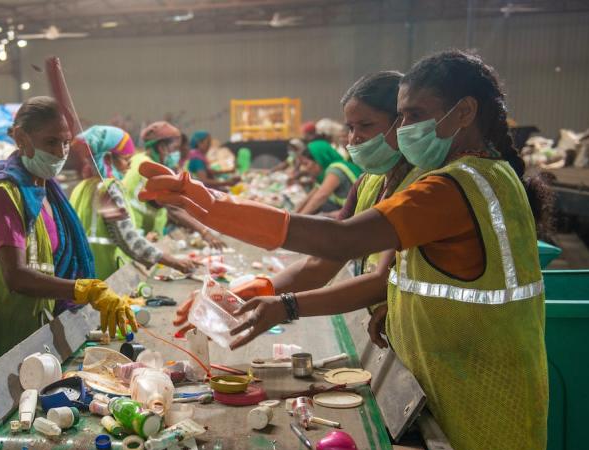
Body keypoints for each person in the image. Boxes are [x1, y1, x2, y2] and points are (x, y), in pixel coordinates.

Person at [141, 49, 551, 450]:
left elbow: (340, 238)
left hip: (486, 418)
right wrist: (267, 287)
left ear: (464, 112)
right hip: (464, 399)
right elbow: (345, 260)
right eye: (401, 116)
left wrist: (211, 204)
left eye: (414, 116)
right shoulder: (469, 179)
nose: (403, 130)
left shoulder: (456, 187)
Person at [171, 71, 415, 333]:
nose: (354, 138)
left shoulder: (419, 186)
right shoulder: (370, 182)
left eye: (365, 126)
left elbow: (367, 268)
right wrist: (250, 291)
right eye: (350, 128)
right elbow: (324, 261)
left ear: (400, 122)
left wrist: (287, 305)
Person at [0, 97, 136, 370]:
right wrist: (84, 289)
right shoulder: (4, 194)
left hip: (46, 330)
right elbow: (16, 277)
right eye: (50, 142)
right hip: (15, 334)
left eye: (66, 142)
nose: (61, 152)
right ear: (22, 138)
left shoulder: (47, 192)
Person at [69, 125, 196, 279]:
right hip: (105, 274)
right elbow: (129, 240)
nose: (129, 167)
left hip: (84, 274)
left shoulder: (81, 187)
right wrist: (174, 262)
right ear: (108, 159)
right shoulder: (109, 189)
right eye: (125, 160)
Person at [122, 121, 226, 247]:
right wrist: (205, 232)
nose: (177, 154)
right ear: (162, 148)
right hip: (133, 234)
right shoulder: (148, 167)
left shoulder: (141, 159)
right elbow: (173, 208)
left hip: (142, 233)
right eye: (175, 149)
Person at [293, 139, 363, 215]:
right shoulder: (324, 174)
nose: (305, 168)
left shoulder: (335, 169)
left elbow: (321, 196)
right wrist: (293, 214)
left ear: (319, 159)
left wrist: (297, 219)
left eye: (306, 163)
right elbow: (312, 195)